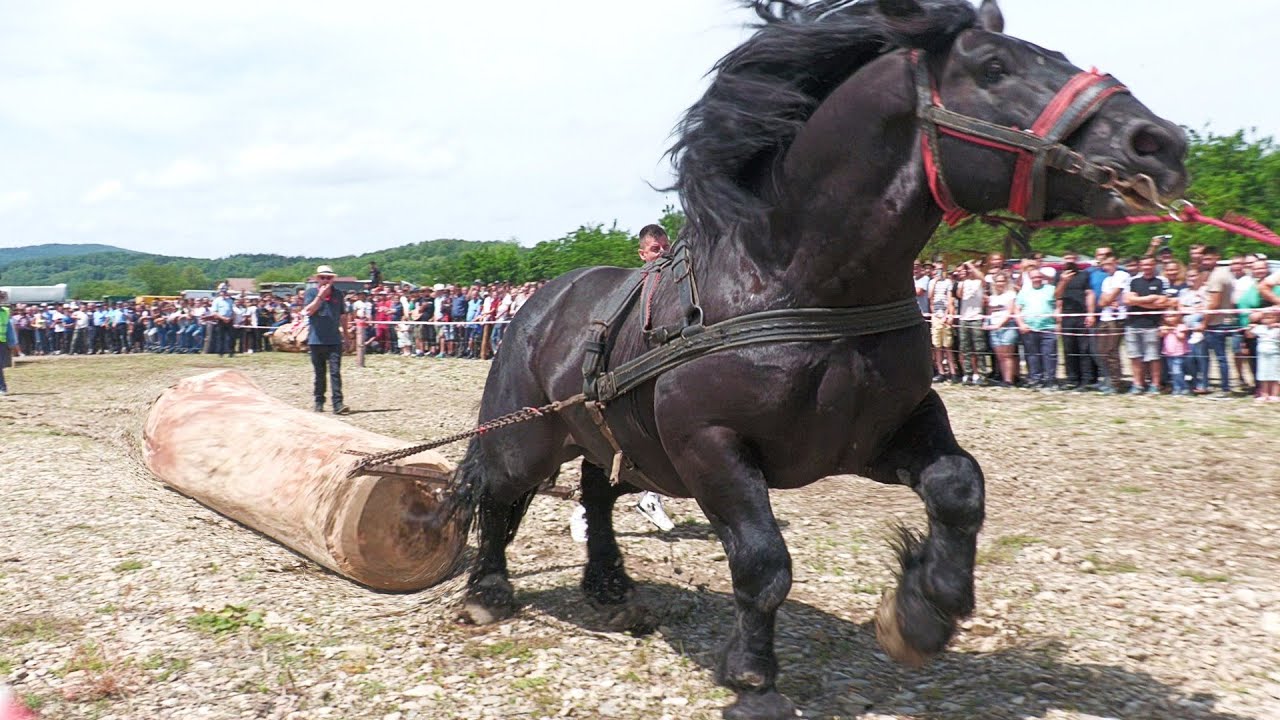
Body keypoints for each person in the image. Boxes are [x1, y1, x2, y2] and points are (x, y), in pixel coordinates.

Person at [1123, 256, 1173, 394]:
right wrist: (1151, 299)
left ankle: (1155, 385)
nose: (1147, 267)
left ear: (1154, 265)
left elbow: (1163, 302)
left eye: (1150, 264)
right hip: (1133, 324)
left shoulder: (1162, 281)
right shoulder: (1132, 280)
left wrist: (1137, 301)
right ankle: (1138, 384)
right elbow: (1127, 300)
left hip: (1152, 324)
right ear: (1140, 266)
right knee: (1135, 356)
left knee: (1153, 357)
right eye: (1144, 264)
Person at [305, 265, 350, 414]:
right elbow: (309, 311)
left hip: (334, 339)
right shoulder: (311, 293)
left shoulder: (338, 295)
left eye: (329, 278)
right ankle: (319, 401)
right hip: (316, 340)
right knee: (319, 373)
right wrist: (321, 296)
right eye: (322, 277)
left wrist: (346, 335)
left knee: (335, 372)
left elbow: (343, 316)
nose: (325, 280)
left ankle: (338, 403)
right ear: (317, 278)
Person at [1247, 306, 1280, 402]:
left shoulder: (1277, 329)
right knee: (1263, 375)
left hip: (1275, 355)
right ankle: (1264, 394)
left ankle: (1274, 394)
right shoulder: (1260, 328)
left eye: (1270, 317)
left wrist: (1277, 326)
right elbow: (1249, 335)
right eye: (1264, 317)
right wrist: (1250, 327)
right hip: (1262, 356)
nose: (1266, 320)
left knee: (1275, 375)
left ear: (1277, 318)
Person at [0, 290, 15, 396]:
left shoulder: (5, 311)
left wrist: (12, 343)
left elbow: (9, 328)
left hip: (1, 342)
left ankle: (2, 387)